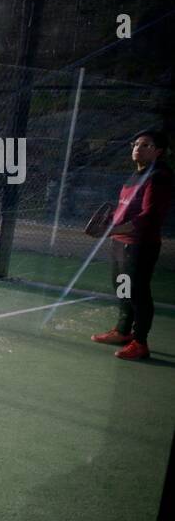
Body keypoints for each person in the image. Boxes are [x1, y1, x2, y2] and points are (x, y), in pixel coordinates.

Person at [91, 129, 171, 360]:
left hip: (140, 245)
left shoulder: (159, 176)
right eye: (136, 144)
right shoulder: (135, 175)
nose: (138, 148)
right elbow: (125, 207)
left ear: (158, 151)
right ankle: (122, 331)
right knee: (122, 286)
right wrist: (110, 222)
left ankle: (140, 342)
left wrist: (112, 230)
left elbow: (149, 216)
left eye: (145, 145)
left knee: (138, 292)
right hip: (120, 242)